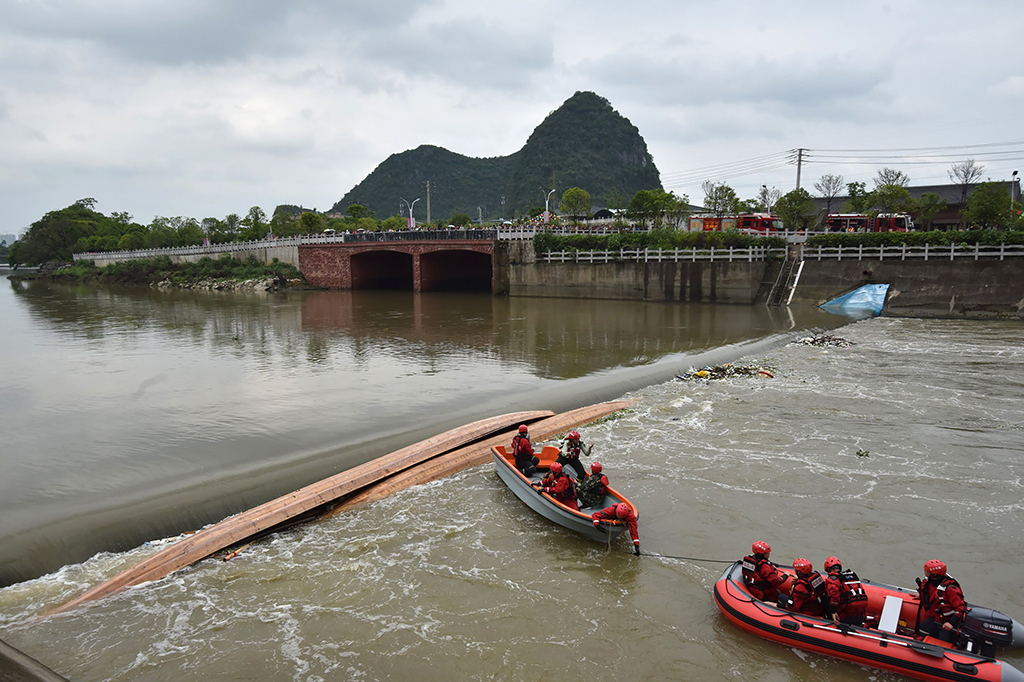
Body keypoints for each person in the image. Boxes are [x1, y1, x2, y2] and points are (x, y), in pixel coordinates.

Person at [917, 559, 966, 643]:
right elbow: (929, 594)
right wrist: (920, 595)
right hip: (935, 618)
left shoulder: (950, 589)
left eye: (927, 571)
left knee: (943, 643)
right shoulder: (930, 582)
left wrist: (951, 623)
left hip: (947, 622)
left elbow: (960, 608)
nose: (925, 573)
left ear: (934, 574)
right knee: (922, 630)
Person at [822, 556, 868, 626]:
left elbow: (835, 596)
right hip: (858, 613)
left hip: (845, 613)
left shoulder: (833, 579)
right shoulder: (850, 576)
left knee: (825, 601)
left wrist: (833, 611)